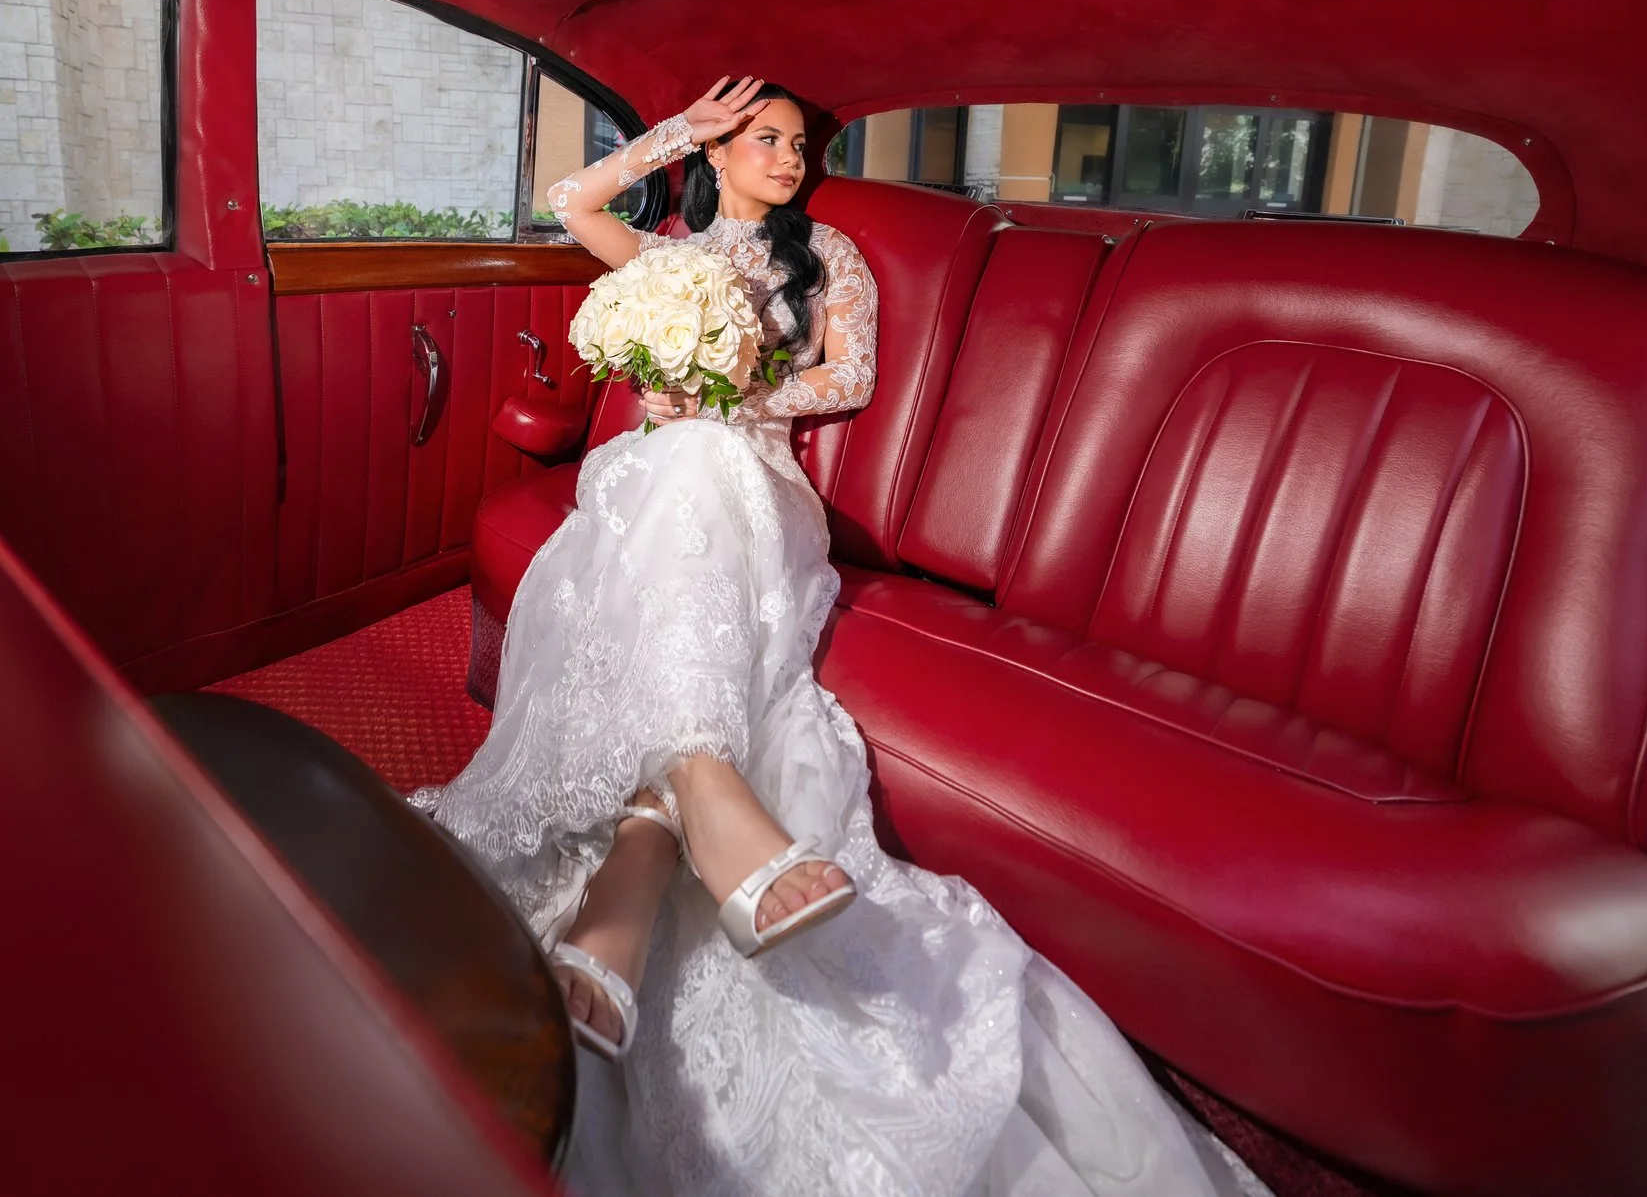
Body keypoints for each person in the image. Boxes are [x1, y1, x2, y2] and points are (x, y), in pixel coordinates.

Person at [416, 78, 1266, 1197]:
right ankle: (684, 797)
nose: (790, 158)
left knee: (701, 457)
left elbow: (847, 373)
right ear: (719, 153)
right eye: (764, 139)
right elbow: (573, 200)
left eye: (799, 144)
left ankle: (651, 842)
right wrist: (676, 134)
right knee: (667, 467)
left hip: (755, 486)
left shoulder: (827, 257)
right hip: (647, 485)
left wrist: (729, 392)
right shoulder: (670, 255)